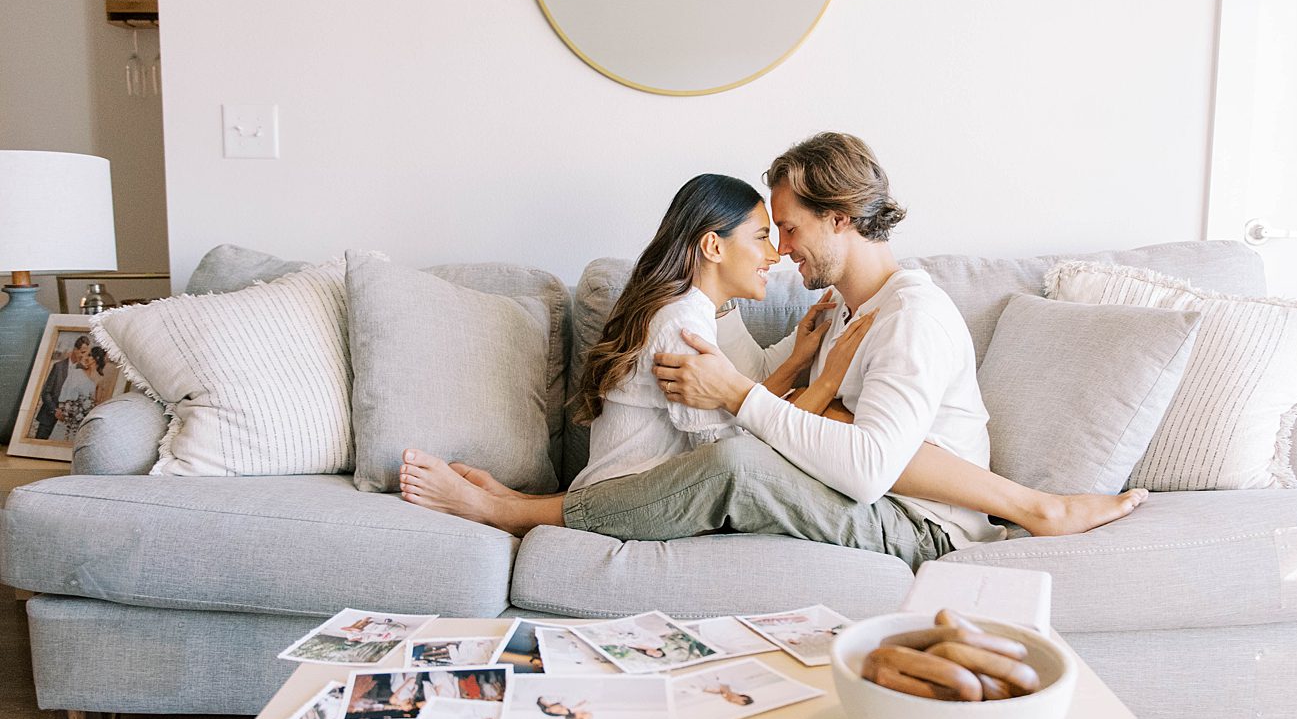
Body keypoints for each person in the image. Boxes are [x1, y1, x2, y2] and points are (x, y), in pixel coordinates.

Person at [399, 156, 1145, 567]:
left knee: (745, 467)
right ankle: (1031, 506)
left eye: (787, 229)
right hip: (886, 490)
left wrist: (766, 389)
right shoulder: (848, 313)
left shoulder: (911, 317)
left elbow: (860, 467)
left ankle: (520, 513)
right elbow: (828, 433)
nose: (781, 251)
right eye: (770, 233)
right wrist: (801, 376)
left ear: (841, 220)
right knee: (819, 429)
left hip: (920, 521)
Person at [34, 336, 89, 440]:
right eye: (82, 352)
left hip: (68, 423)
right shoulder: (58, 367)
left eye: (85, 353)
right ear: (75, 349)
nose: (83, 356)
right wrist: (55, 410)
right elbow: (46, 393)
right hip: (48, 417)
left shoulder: (83, 370)